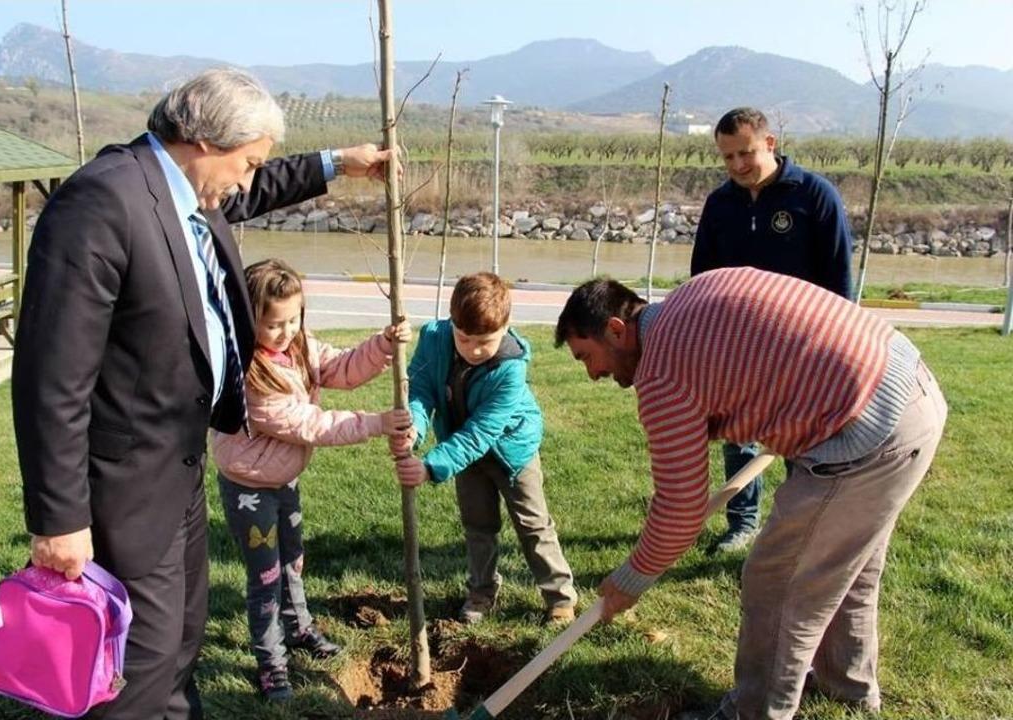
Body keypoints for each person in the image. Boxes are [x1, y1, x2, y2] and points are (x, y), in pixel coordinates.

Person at [12, 68, 396, 719]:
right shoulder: (101, 205)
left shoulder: (188, 191)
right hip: (126, 478)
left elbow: (260, 188)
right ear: (203, 141)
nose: (249, 180)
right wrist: (58, 519)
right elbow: (51, 375)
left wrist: (341, 164)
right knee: (142, 654)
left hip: (180, 461)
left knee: (182, 636)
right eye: (247, 162)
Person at [555, 268, 946, 720]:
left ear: (616, 330)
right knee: (842, 567)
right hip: (908, 384)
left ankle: (753, 712)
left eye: (587, 356)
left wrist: (631, 579)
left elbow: (681, 508)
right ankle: (846, 687)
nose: (592, 374)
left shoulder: (661, 372)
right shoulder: (689, 299)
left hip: (869, 428)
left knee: (777, 581)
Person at [211, 258, 411, 702]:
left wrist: (381, 345)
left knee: (292, 562)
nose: (286, 331)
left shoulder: (298, 346)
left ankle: (298, 628)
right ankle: (271, 663)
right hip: (250, 489)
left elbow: (341, 367)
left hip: (283, 481)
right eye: (274, 324)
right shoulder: (250, 376)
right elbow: (312, 424)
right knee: (264, 576)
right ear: (248, 319)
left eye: (294, 318)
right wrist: (377, 422)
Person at [691, 107, 855, 553]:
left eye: (745, 153)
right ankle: (741, 525)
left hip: (804, 348)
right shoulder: (720, 205)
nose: (737, 165)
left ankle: (797, 530)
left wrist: (838, 346)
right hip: (737, 348)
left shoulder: (814, 196)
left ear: (770, 144)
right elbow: (702, 279)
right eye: (727, 158)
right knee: (739, 437)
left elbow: (839, 278)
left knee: (802, 442)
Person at [391, 272, 577, 625]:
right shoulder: (434, 339)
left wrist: (430, 466)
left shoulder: (511, 368)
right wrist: (414, 427)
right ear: (451, 323)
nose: (475, 350)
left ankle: (559, 597)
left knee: (533, 524)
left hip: (511, 452)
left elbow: (481, 433)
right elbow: (421, 389)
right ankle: (481, 593)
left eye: (486, 341)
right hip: (464, 453)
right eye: (464, 339)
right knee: (478, 525)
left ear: (506, 327)